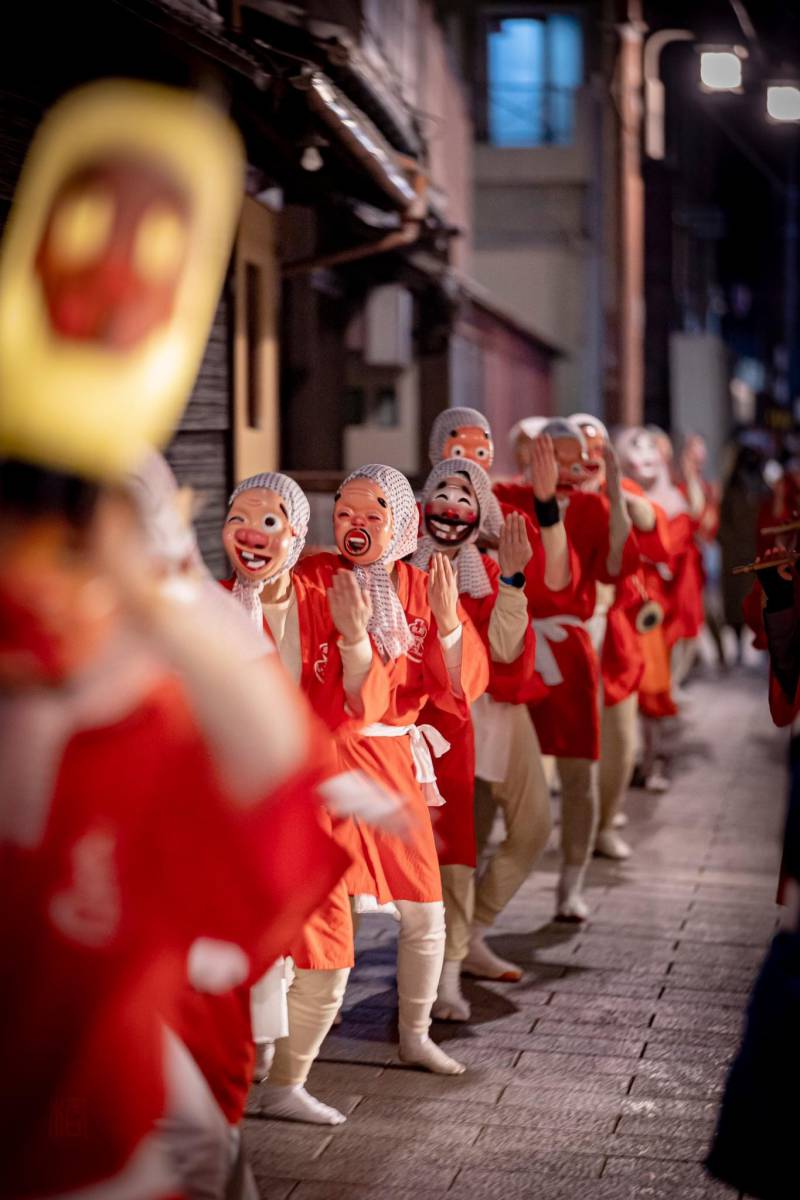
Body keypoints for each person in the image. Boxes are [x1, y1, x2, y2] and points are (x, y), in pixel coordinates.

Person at [221, 470, 402, 1125]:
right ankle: (235, 1082)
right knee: (247, 956)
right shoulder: (210, 608)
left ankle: (284, 1085)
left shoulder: (326, 595)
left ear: (297, 535)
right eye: (238, 516)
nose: (250, 532)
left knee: (329, 957)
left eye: (269, 519)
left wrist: (355, 641)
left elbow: (367, 704)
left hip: (312, 811)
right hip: (236, 814)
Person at [296, 464, 489, 1074]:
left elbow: (460, 685)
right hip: (329, 756)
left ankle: (415, 1031)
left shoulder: (421, 583)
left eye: (372, 514)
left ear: (402, 523)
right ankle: (295, 1041)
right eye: (346, 511)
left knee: (423, 909)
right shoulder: (315, 575)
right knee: (325, 905)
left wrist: (451, 622)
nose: (355, 524)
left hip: (397, 760)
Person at [411, 457, 545, 1019]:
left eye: (466, 497)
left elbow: (506, 650)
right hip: (432, 717)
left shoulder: (488, 573)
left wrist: (512, 577)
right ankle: (446, 965)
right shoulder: (400, 567)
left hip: (497, 707)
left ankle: (474, 934)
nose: (451, 506)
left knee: (533, 826)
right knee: (454, 849)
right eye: (442, 491)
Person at [495, 418, 638, 920]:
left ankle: (570, 884)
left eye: (575, 456)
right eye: (556, 455)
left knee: (580, 771)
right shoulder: (505, 496)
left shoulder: (596, 506)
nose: (568, 466)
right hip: (514, 641)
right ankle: (479, 888)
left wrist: (616, 492)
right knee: (494, 767)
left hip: (570, 645)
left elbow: (617, 568)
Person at [572, 414, 672, 854]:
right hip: (562, 631)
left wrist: (620, 496)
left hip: (615, 628)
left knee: (621, 737)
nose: (588, 457)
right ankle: (574, 826)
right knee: (567, 747)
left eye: (597, 448)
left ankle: (606, 822)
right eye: (579, 448)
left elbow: (654, 530)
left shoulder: (623, 491)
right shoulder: (544, 494)